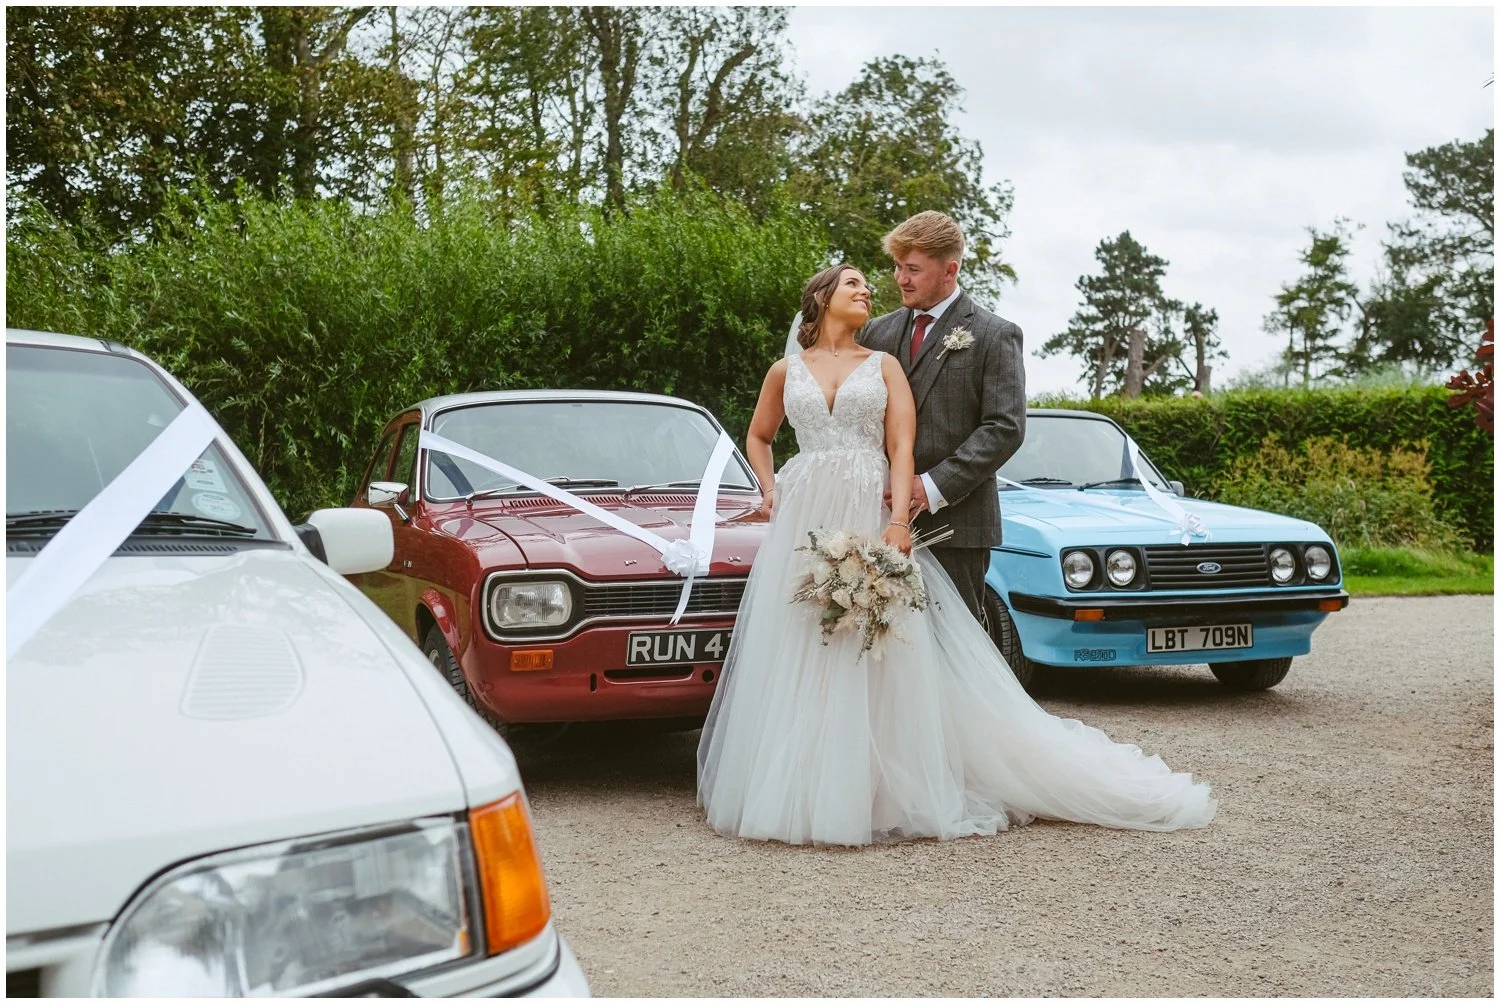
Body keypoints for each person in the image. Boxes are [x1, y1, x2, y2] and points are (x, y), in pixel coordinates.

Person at [694, 257, 1216, 847]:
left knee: (879, 644)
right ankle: (803, 783)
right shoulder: (784, 370)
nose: (869, 290)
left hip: (867, 503)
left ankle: (881, 787)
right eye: (853, 283)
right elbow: (758, 435)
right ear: (820, 298)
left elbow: (902, 446)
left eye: (870, 283)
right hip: (805, 510)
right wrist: (769, 489)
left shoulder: (884, 363)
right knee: (805, 639)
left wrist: (898, 521)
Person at [860, 211, 1024, 621]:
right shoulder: (876, 332)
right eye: (898, 267)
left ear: (950, 270)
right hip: (876, 520)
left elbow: (1004, 428)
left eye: (913, 269)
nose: (901, 279)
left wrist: (930, 487)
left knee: (952, 645)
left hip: (957, 527)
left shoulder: (994, 334)